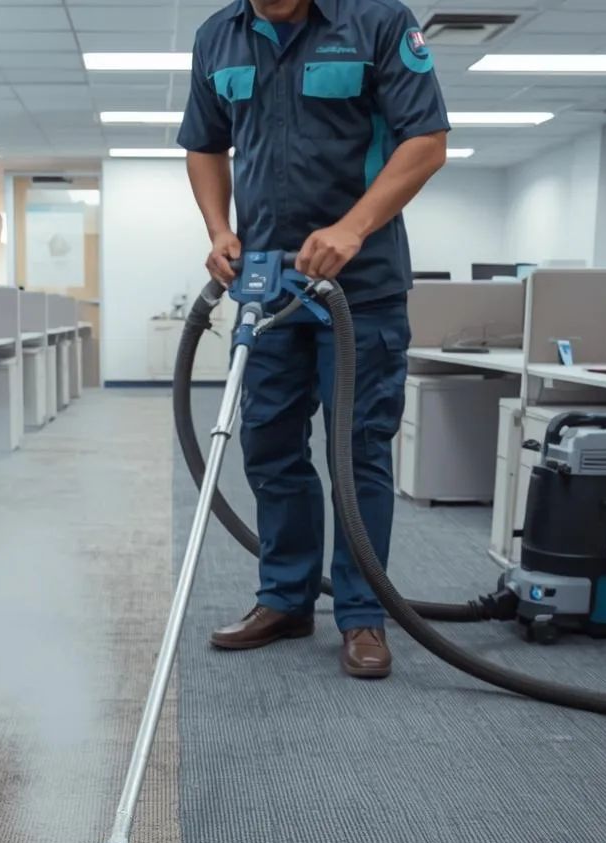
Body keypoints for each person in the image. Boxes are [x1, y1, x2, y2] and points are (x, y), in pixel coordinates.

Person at [178, 0, 449, 678]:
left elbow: (427, 142)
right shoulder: (218, 35)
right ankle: (287, 600)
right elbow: (205, 145)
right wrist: (218, 229)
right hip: (269, 287)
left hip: (363, 286)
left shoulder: (378, 22)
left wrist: (353, 228)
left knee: (356, 452)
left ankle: (362, 615)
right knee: (269, 445)